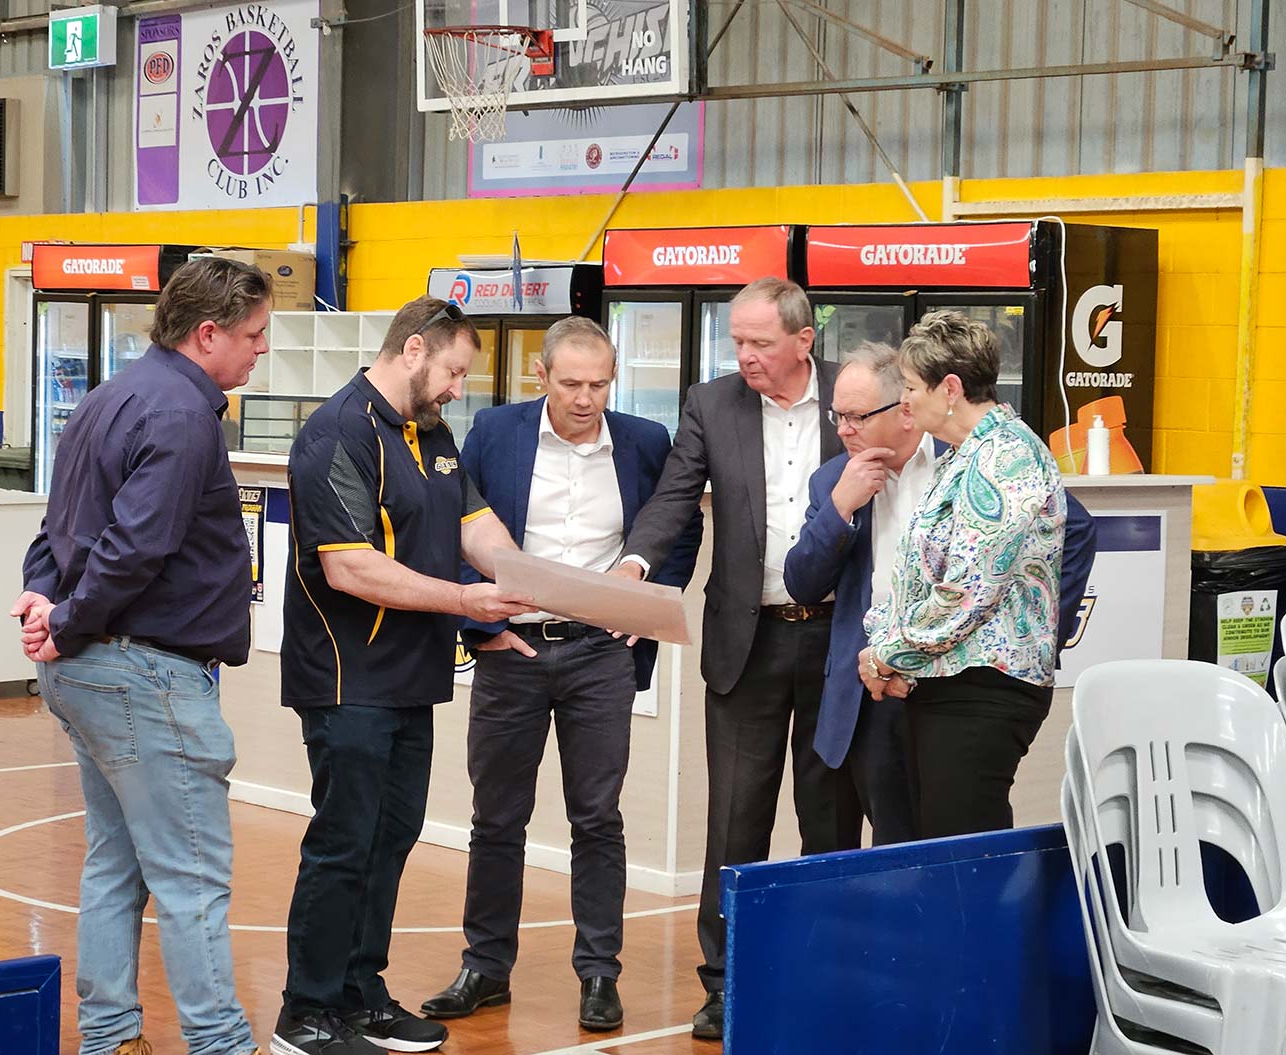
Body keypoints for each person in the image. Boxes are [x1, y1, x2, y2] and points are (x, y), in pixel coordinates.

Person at [11, 256, 274, 1055]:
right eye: (254, 336)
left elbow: (56, 529)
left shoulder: (105, 398)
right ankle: (219, 1041)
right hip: (144, 675)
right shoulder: (185, 417)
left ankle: (111, 1036)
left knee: (114, 865)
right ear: (207, 335)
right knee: (192, 878)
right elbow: (134, 548)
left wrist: (42, 600)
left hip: (96, 670)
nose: (260, 351)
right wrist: (70, 620)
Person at [420, 317, 702, 1031]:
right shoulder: (494, 433)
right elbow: (454, 527)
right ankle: (485, 966)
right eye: (571, 383)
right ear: (540, 376)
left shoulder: (642, 441)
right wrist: (480, 630)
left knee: (598, 818)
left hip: (601, 656)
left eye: (600, 383)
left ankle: (599, 974)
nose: (586, 398)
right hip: (512, 652)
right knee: (498, 818)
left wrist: (644, 606)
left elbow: (676, 531)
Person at [274, 297, 537, 1055]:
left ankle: (359, 992)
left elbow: (474, 526)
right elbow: (351, 567)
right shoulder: (336, 434)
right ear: (414, 350)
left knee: (391, 838)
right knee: (343, 841)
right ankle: (307, 1011)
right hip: (347, 679)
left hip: (412, 679)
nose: (460, 386)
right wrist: (464, 599)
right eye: (455, 369)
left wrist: (533, 582)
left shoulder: (434, 433)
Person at [611, 276, 854, 1040]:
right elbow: (673, 498)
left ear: (803, 341)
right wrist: (635, 566)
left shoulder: (853, 398)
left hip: (839, 640)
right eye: (737, 341)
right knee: (734, 822)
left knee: (832, 819)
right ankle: (724, 981)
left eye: (759, 342)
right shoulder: (711, 404)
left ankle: (826, 969)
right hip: (745, 643)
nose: (743, 355)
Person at [784, 341, 1096, 845]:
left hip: (950, 683)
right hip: (871, 687)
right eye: (836, 415)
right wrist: (841, 506)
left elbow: (1070, 532)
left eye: (857, 416)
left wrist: (1029, 637)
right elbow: (802, 582)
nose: (842, 429)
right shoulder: (833, 480)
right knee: (874, 852)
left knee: (944, 842)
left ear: (905, 411)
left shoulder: (970, 459)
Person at [859, 309, 1070, 840]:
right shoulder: (962, 457)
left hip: (984, 690)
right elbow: (917, 574)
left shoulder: (1007, 459)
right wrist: (883, 641)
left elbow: (966, 593)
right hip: (942, 681)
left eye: (910, 387)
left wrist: (889, 653)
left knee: (963, 856)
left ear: (949, 387)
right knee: (930, 851)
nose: (903, 400)